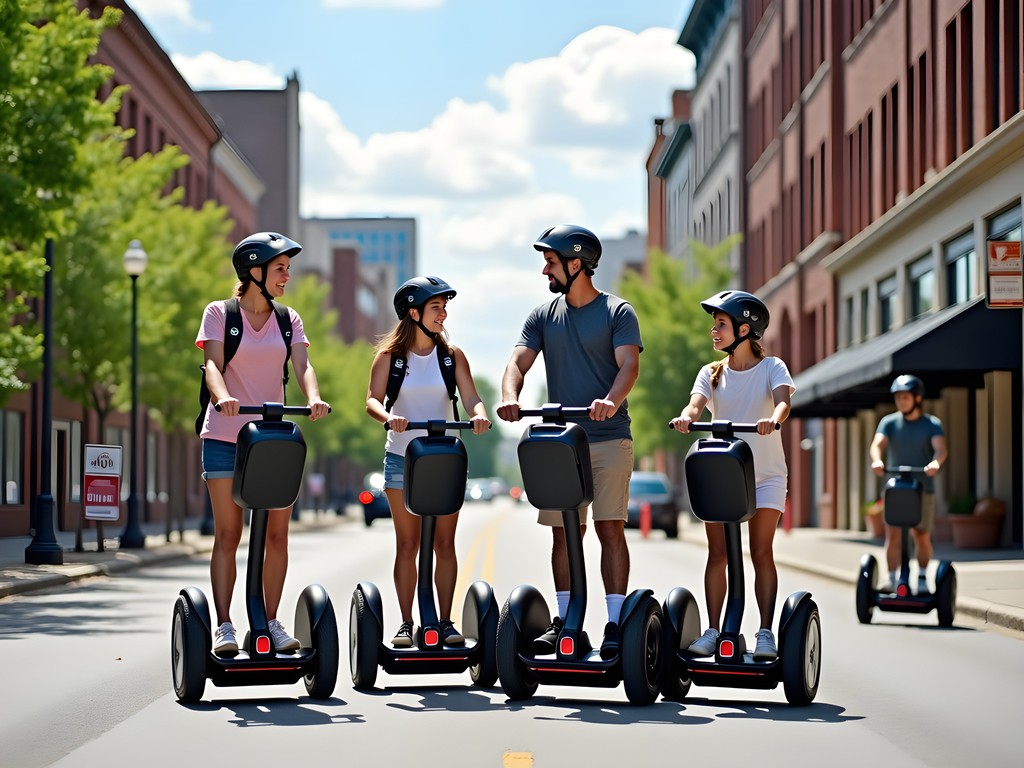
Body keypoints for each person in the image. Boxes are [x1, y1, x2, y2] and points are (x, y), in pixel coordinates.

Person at [497, 224, 642, 661]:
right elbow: (517, 363)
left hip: (607, 438)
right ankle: (568, 622)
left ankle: (615, 623)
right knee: (565, 534)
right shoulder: (543, 316)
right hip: (562, 443)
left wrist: (611, 402)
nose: (545, 269)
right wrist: (509, 397)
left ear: (576, 264)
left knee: (608, 528)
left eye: (551, 261)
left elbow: (628, 366)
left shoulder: (618, 313)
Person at [196, 232, 330, 655]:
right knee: (229, 534)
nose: (287, 276)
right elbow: (212, 365)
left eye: (288, 268)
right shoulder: (220, 313)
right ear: (254, 272)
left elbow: (304, 366)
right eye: (280, 268)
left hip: (272, 442)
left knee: (276, 536)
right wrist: (222, 397)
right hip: (224, 435)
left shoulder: (289, 319)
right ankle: (224, 626)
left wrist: (313, 398)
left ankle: (270, 622)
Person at [365, 276, 491, 648]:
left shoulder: (452, 357)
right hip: (402, 459)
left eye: (444, 307)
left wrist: (480, 415)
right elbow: (372, 400)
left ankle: (445, 622)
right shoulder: (390, 358)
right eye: (437, 307)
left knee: (444, 544)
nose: (444, 314)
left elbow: (471, 398)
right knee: (407, 545)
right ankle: (407, 623)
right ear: (414, 312)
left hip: (443, 461)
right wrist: (388, 417)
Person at [670, 290, 793, 661]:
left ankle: (766, 632)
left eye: (720, 324)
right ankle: (713, 629)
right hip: (725, 473)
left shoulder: (772, 367)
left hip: (766, 476)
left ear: (744, 329)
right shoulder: (711, 372)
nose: (714, 330)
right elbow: (696, 403)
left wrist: (774, 418)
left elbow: (784, 399)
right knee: (718, 553)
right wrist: (688, 416)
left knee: (760, 551)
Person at [869, 374, 947, 594]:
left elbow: (940, 449)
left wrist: (935, 463)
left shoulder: (931, 424)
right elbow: (877, 444)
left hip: (922, 488)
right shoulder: (889, 422)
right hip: (895, 488)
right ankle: (892, 578)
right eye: (898, 397)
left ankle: (922, 578)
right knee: (892, 534)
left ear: (917, 398)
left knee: (921, 534)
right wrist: (877, 460)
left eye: (905, 397)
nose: (901, 401)